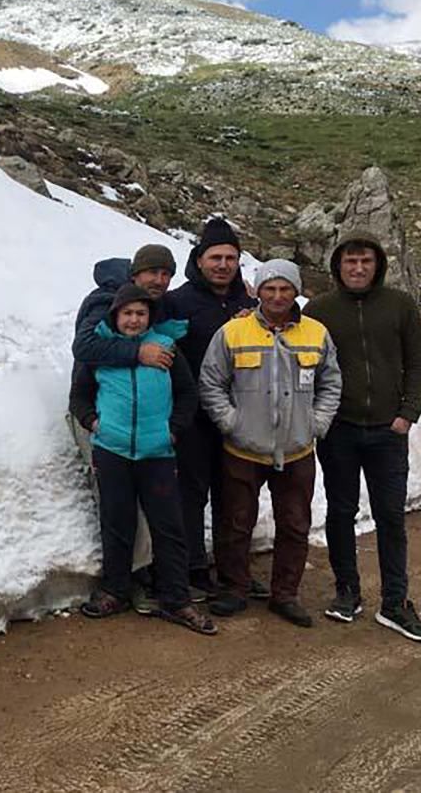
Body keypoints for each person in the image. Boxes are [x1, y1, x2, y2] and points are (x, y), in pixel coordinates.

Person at [198, 260, 342, 627]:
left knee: (295, 524)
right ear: (257, 291)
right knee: (236, 523)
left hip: (296, 450)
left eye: (285, 289)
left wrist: (318, 422)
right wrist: (231, 422)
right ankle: (235, 588)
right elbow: (211, 382)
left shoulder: (315, 333)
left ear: (296, 292)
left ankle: (285, 594)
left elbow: (331, 383)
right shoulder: (233, 332)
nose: (277, 296)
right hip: (243, 449)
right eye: (270, 288)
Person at [306, 232, 421, 642]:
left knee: (391, 517)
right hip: (339, 430)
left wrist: (407, 414)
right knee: (340, 512)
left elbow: (417, 362)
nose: (358, 268)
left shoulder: (399, 305)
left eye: (365, 261)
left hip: (387, 430)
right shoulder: (320, 309)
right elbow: (304, 361)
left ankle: (395, 602)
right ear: (337, 266)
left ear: (377, 265)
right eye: (350, 262)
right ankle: (347, 591)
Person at [73, 284, 216, 635]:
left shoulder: (166, 348)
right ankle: (115, 590)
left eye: (141, 313)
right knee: (117, 522)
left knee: (168, 526)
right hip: (113, 450)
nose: (134, 320)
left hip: (158, 453)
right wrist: (94, 423)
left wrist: (174, 429)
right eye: (127, 313)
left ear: (149, 317)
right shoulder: (102, 352)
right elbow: (79, 395)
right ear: (116, 316)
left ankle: (175, 599)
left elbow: (187, 393)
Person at [68, 243, 179, 612]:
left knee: (147, 507)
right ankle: (126, 582)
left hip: (146, 424)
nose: (160, 280)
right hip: (105, 413)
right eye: (153, 273)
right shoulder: (106, 301)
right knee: (117, 505)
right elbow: (84, 347)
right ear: (135, 274)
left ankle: (139, 577)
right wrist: (138, 353)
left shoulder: (151, 307)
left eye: (166, 274)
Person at [157, 220, 260, 599]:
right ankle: (193, 568)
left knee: (234, 495)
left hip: (239, 416)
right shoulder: (178, 302)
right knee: (191, 492)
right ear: (199, 260)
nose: (223, 265)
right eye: (215, 257)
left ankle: (234, 568)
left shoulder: (250, 304)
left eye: (230, 258)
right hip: (194, 417)